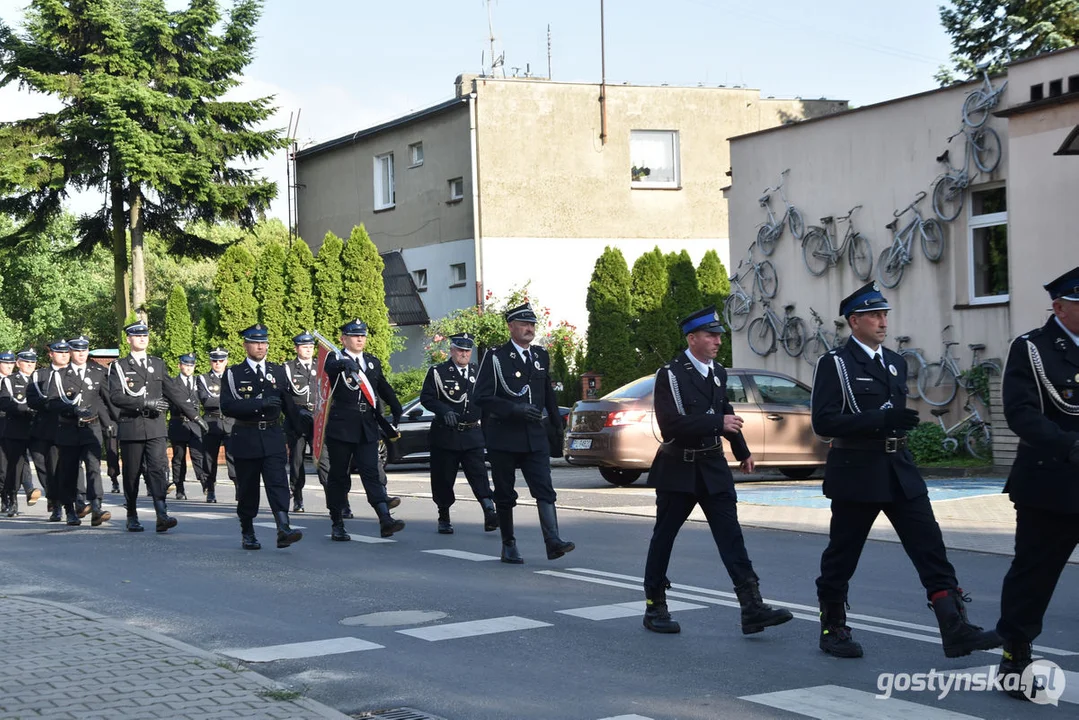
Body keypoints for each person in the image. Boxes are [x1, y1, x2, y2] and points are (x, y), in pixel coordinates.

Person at [811, 282, 1000, 659]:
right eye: (875, 315)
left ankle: (954, 626)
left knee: (930, 546)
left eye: (885, 315)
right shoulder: (836, 363)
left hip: (899, 467)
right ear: (854, 321)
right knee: (843, 554)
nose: (883, 322)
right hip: (857, 471)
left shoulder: (895, 362)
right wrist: (878, 419)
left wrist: (890, 423)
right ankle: (833, 627)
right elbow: (824, 422)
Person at [640, 306, 792, 635]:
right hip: (678, 468)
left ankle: (751, 606)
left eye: (719, 335)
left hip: (712, 466)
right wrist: (716, 422)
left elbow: (725, 409)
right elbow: (671, 426)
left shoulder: (717, 372)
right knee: (664, 537)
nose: (718, 341)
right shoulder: (671, 374)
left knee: (731, 537)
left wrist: (742, 451)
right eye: (711, 335)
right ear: (692, 338)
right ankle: (655, 606)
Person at [995, 266, 1079, 701]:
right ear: (1061, 307)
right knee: (1035, 573)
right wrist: (1070, 445)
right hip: (1051, 480)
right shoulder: (1033, 349)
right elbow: (1020, 413)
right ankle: (1016, 654)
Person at [474, 302, 573, 564]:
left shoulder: (540, 355)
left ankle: (553, 541)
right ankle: (508, 544)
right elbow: (481, 397)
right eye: (523, 324)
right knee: (505, 493)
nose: (529, 329)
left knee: (544, 488)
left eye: (532, 324)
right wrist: (513, 410)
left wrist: (556, 422)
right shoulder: (495, 357)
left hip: (534, 435)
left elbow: (547, 392)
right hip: (504, 436)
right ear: (511, 327)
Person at [219, 324, 302, 551]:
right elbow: (227, 406)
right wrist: (259, 404)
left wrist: (302, 427)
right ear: (246, 345)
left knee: (278, 483)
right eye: (255, 342)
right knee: (248, 488)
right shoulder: (233, 373)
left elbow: (289, 404)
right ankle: (248, 531)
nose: (260, 346)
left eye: (264, 342)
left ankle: (283, 528)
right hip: (246, 435)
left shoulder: (277, 371)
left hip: (273, 435)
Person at [322, 319, 404, 541]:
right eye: (355, 335)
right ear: (344, 339)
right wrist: (344, 365)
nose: (360, 339)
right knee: (339, 476)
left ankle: (385, 519)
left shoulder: (371, 362)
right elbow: (329, 369)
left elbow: (382, 386)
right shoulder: (335, 358)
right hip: (342, 426)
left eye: (363, 335)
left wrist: (396, 405)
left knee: (372, 472)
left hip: (366, 426)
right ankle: (337, 521)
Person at [107, 321, 186, 533]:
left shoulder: (157, 364)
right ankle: (131, 514)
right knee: (132, 474)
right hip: (132, 427)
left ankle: (162, 513)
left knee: (158, 469)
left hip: (155, 426)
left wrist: (195, 416)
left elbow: (173, 391)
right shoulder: (119, 367)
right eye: (137, 335)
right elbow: (115, 396)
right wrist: (143, 403)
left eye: (145, 335)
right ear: (129, 339)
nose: (142, 338)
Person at [420, 332, 498, 534]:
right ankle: (444, 515)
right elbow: (427, 398)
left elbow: (487, 403)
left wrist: (490, 436)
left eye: (467, 350)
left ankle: (489, 510)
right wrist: (443, 410)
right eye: (460, 350)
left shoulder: (478, 372)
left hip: (472, 433)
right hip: (446, 434)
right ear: (452, 350)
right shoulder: (438, 372)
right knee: (444, 478)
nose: (464, 354)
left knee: (479, 475)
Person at [52, 336, 113, 526]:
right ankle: (70, 509)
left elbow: (108, 399)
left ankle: (96, 506)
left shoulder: (97, 372)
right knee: (69, 470)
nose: (81, 353)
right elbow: (53, 402)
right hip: (69, 428)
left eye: (84, 350)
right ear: (70, 352)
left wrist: (115, 421)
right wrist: (72, 409)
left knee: (94, 467)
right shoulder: (61, 375)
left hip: (91, 427)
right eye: (77, 350)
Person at [27, 340, 71, 522]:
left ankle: (76, 502)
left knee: (70, 468)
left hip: (71, 426)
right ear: (51, 354)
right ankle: (55, 502)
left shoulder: (75, 374)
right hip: (48, 429)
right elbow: (32, 399)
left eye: (66, 352)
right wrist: (50, 403)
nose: (63, 355)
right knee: (50, 468)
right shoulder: (40, 375)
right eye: (59, 352)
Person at [0, 349, 42, 516]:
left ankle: (28, 491)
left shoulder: (35, 380)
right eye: (5, 362)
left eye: (11, 363)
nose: (8, 366)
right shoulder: (9, 382)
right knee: (6, 466)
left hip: (23, 425)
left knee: (24, 461)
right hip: (7, 426)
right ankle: (9, 497)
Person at [283, 332, 317, 512]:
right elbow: (285, 398)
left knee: (325, 460)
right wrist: (296, 415)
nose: (309, 350)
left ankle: (338, 500)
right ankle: (297, 497)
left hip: (317, 418)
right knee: (297, 461)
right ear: (297, 348)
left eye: (311, 347)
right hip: (297, 419)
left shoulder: (321, 366)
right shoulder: (288, 368)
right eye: (305, 347)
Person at [197, 347, 237, 503]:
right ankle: (210, 489)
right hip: (211, 422)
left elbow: (237, 399)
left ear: (226, 361)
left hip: (229, 421)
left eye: (221, 361)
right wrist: (226, 400)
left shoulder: (232, 378)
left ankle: (238, 486)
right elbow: (206, 400)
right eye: (215, 361)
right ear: (210, 362)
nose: (218, 364)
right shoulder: (203, 378)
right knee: (209, 458)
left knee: (233, 457)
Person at [167, 353, 209, 501]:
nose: (189, 368)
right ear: (180, 365)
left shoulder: (199, 382)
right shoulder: (173, 383)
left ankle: (205, 483)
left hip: (195, 424)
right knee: (179, 457)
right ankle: (179, 487)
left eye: (191, 365)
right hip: (179, 423)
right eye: (186, 365)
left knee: (198, 455)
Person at [88, 348, 121, 493]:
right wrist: (108, 421)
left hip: (121, 418)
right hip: (108, 419)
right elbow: (103, 401)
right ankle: (114, 480)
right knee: (111, 450)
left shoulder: (121, 379)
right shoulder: (102, 378)